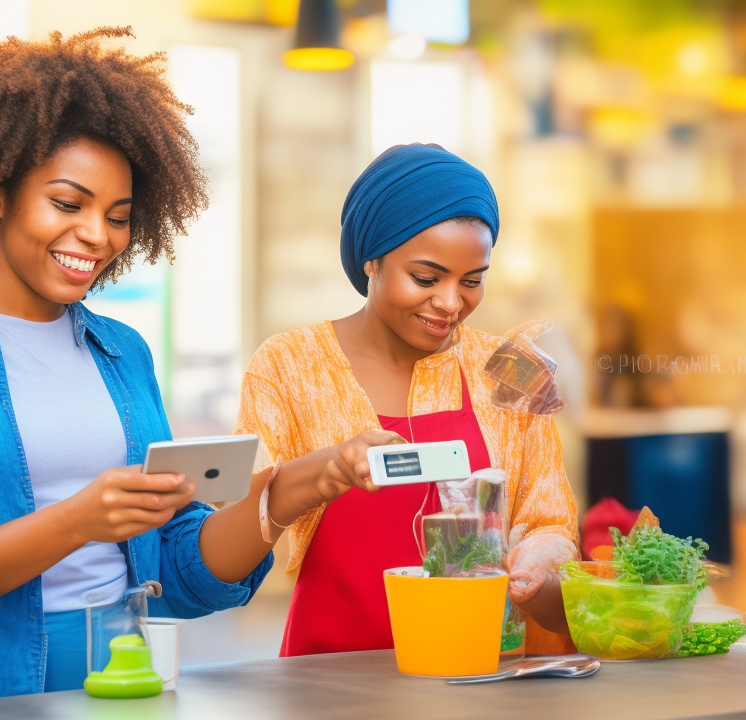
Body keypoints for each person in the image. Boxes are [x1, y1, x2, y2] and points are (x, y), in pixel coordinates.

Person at [0, 29, 279, 700]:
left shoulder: (123, 353)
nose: (97, 235)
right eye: (68, 204)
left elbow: (176, 570)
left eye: (119, 216)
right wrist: (77, 520)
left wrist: (287, 494)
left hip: (122, 673)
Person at [236, 143, 580, 656]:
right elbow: (241, 536)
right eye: (425, 278)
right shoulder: (290, 365)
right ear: (371, 260)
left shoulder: (509, 371)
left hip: (479, 672)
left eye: (472, 281)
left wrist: (539, 570)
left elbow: (552, 529)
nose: (450, 303)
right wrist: (325, 472)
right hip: (329, 677)